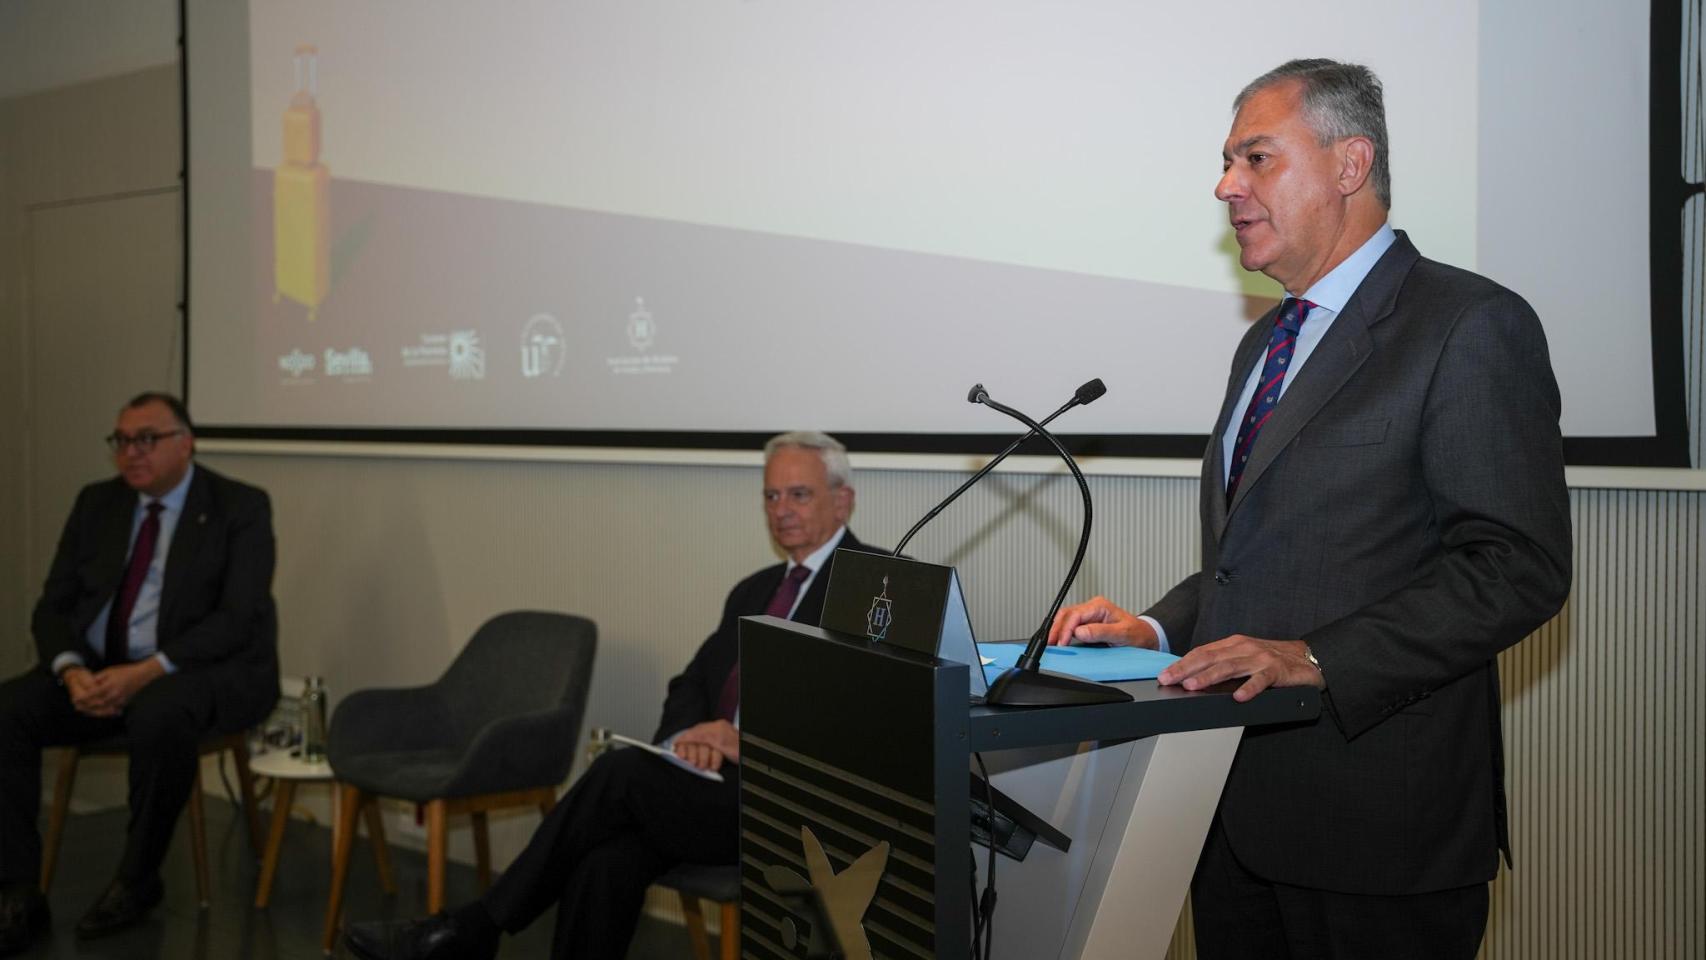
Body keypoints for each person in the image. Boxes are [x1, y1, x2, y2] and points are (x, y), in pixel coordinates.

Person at [1048, 60, 1571, 959]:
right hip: (1226, 813)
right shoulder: (1266, 339)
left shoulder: (1468, 323)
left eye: (1256, 158)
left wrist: (1319, 657)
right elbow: (1252, 557)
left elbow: (1515, 566)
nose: (1225, 186)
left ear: (1348, 164)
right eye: (1225, 162)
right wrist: (1157, 629)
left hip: (1376, 826)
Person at [345, 430, 874, 960]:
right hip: (709, 789)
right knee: (607, 859)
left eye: (798, 494)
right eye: (771, 495)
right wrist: (687, 738)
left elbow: (858, 725)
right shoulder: (755, 588)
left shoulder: (872, 590)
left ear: (842, 499)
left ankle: (474, 928)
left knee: (619, 773)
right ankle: (471, 932)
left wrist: (744, 741)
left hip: (783, 802)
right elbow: (691, 683)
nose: (781, 509)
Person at [0, 392, 278, 954]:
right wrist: (72, 670)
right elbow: (52, 605)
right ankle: (16, 890)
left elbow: (237, 617)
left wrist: (146, 671)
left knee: (158, 714)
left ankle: (137, 878)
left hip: (201, 668)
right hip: (99, 669)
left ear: (186, 442)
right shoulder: (97, 504)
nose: (131, 453)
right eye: (122, 441)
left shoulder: (238, 507)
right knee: (8, 711)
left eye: (146, 439)